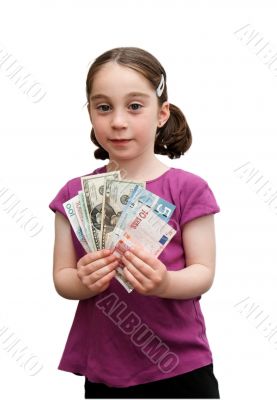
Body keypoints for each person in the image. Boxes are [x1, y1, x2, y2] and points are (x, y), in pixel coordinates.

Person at [49, 47, 221, 399]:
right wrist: (83, 281)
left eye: (135, 106)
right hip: (106, 370)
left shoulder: (188, 189)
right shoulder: (74, 193)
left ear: (162, 114)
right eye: (103, 107)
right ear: (90, 115)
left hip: (181, 366)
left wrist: (165, 282)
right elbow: (62, 279)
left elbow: (204, 271)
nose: (118, 121)